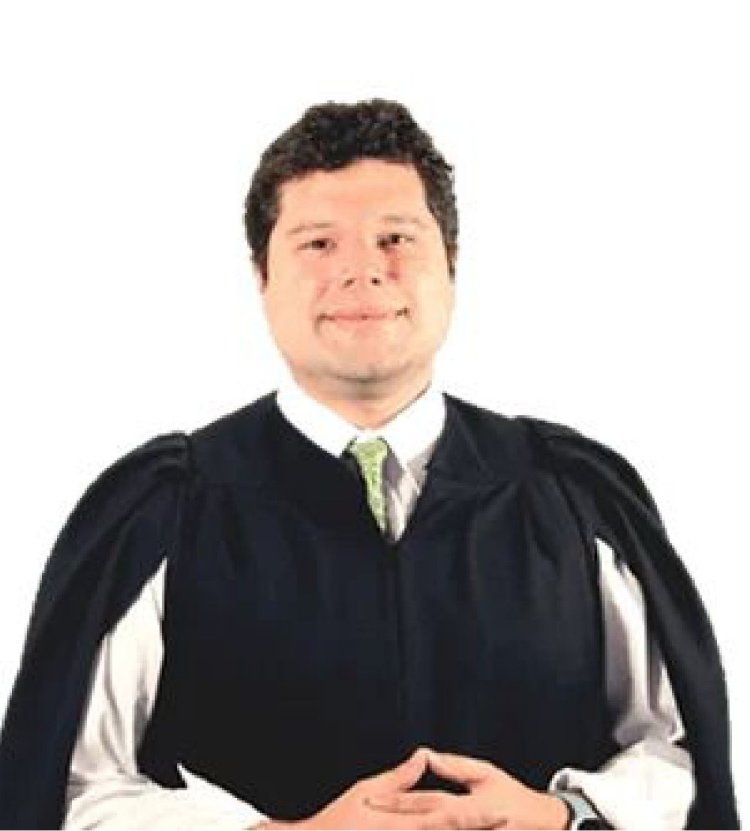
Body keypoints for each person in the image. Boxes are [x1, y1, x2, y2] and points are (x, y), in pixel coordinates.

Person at [0, 99, 739, 830]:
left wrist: (562, 814)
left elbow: (679, 755)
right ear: (261, 277)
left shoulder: (574, 498)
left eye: (396, 238)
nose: (362, 272)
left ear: (451, 265)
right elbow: (73, 788)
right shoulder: (164, 511)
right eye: (319, 244)